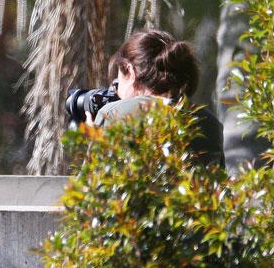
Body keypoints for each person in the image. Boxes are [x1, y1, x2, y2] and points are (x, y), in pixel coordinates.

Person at [91, 29, 225, 167]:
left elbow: (91, 184)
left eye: (117, 84)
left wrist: (93, 137)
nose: (116, 91)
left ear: (130, 72)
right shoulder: (210, 123)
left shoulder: (113, 114)